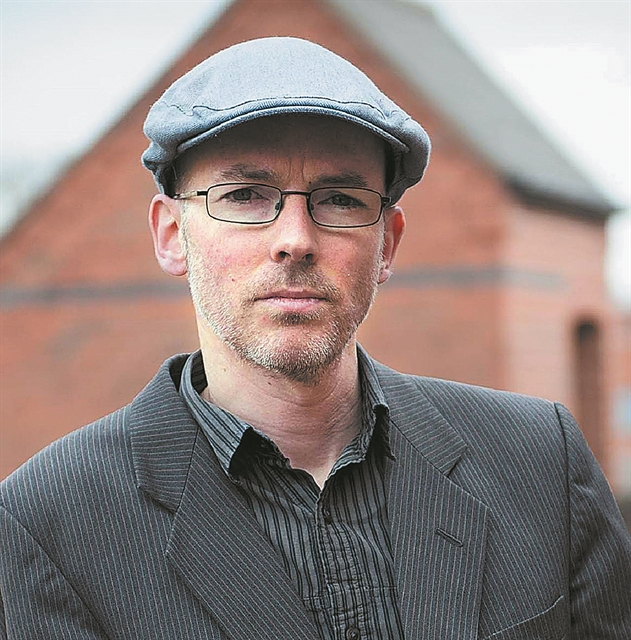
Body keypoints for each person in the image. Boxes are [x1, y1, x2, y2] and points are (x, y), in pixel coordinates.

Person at [1, 36, 629, 640]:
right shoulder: (48, 524)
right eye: (245, 196)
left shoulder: (539, 463)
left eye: (340, 199)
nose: (295, 240)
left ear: (386, 245)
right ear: (171, 236)